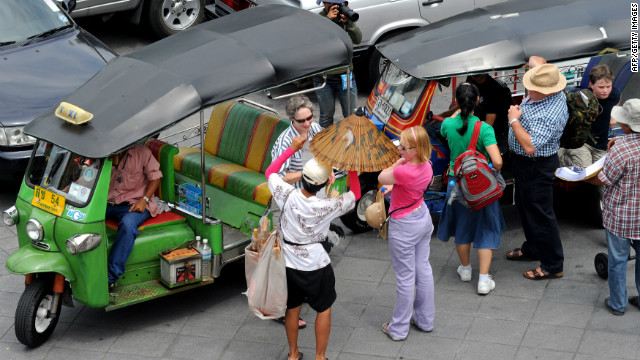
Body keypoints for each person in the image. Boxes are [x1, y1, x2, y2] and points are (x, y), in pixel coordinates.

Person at [265, 137, 360, 360]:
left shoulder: (286, 194)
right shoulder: (327, 205)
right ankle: (320, 357)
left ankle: (292, 354)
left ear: (304, 179)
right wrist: (353, 167)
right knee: (324, 308)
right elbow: (354, 194)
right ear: (324, 181)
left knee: (293, 308)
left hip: (289, 262)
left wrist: (292, 149)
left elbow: (271, 171)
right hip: (316, 264)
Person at [437, 83, 505, 295]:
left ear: (456, 102)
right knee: (485, 229)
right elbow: (498, 161)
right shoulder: (485, 129)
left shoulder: (448, 125)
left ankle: (465, 269)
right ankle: (484, 280)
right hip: (481, 187)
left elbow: (444, 130)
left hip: (456, 184)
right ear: (478, 101)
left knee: (462, 229)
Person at [505, 63, 569, 280]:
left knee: (541, 216)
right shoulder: (551, 92)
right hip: (526, 164)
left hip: (536, 165)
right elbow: (537, 60)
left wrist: (513, 119)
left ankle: (552, 264)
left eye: (532, 88)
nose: (528, 91)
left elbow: (530, 146)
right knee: (525, 207)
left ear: (547, 90)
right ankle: (532, 248)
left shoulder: (549, 114)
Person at [378, 126, 435, 341]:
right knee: (424, 270)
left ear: (414, 149)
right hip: (422, 216)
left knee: (405, 278)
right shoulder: (427, 165)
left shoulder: (403, 170)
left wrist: (398, 162)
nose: (399, 148)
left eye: (403, 146)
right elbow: (410, 187)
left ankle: (399, 328)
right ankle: (425, 320)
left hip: (404, 225)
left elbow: (383, 177)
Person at [585, 99, 640, 315]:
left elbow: (604, 179)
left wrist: (584, 177)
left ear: (626, 125)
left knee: (618, 259)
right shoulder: (622, 145)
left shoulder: (622, 149)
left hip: (621, 215)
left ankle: (618, 304)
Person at [106, 144, 162, 287]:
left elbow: (155, 178)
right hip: (108, 203)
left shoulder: (142, 153)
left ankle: (110, 277)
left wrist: (145, 200)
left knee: (128, 225)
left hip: (134, 203)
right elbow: (89, 176)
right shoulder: (105, 152)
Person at [558, 64, 621, 167]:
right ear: (591, 84)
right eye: (601, 87)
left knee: (601, 177)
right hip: (582, 143)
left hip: (600, 145)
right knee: (584, 170)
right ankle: (558, 155)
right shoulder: (581, 97)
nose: (605, 90)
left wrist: (613, 117)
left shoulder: (615, 94)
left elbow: (618, 97)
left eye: (608, 86)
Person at [313, 0, 362, 128]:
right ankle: (325, 146)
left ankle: (353, 145)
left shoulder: (345, 18)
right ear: (324, 4)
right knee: (326, 116)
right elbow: (315, 43)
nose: (335, 6)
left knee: (352, 115)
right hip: (324, 77)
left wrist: (349, 22)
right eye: (331, 3)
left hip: (345, 75)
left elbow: (358, 39)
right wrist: (327, 21)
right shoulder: (318, 19)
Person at [272, 95, 325, 188]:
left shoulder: (316, 128)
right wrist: (307, 173)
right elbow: (278, 178)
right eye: (301, 121)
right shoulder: (284, 142)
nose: (307, 123)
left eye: (309, 118)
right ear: (292, 119)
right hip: (297, 195)